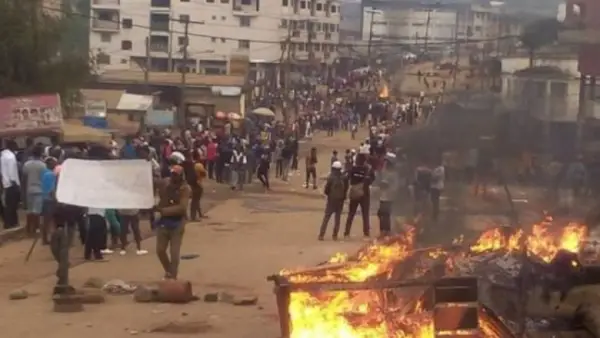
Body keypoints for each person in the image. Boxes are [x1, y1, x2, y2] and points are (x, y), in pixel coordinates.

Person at [155, 165, 191, 279]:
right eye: (172, 174)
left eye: (175, 174)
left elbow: (182, 208)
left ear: (181, 176)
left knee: (174, 253)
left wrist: (163, 210)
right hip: (164, 222)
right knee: (160, 250)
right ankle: (169, 271)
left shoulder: (185, 189)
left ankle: (172, 276)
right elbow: (155, 183)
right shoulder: (166, 184)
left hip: (177, 223)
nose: (173, 176)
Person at [343, 153, 375, 239]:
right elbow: (372, 179)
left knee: (351, 213)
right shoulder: (368, 169)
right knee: (365, 214)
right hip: (365, 193)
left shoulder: (352, 169)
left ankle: (346, 233)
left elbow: (346, 178)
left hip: (354, 193)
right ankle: (366, 233)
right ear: (364, 161)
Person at [318, 161, 347, 241]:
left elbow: (326, 189)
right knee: (337, 218)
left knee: (327, 217)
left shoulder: (331, 177)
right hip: (340, 200)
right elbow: (345, 189)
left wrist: (328, 195)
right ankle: (335, 235)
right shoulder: (343, 177)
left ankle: (321, 235)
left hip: (332, 199)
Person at [22, 145, 46, 236]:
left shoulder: (27, 164)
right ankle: (36, 228)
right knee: (37, 211)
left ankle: (28, 228)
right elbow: (44, 178)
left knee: (29, 210)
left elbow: (24, 177)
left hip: (29, 189)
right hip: (39, 190)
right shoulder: (43, 165)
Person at [378, 153, 398, 237]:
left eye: (387, 161)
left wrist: (386, 185)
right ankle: (384, 230)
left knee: (385, 214)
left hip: (388, 197)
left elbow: (395, 186)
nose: (385, 163)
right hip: (383, 196)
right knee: (381, 213)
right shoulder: (386, 171)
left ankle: (386, 231)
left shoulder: (393, 173)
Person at [1, 140, 20, 229]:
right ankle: (11, 223)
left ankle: (8, 223)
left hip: (5, 183)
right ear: (12, 147)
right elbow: (12, 172)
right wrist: (15, 183)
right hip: (12, 184)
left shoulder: (2, 156)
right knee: (12, 205)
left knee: (7, 204)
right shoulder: (11, 157)